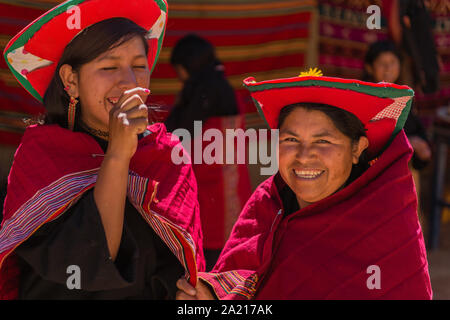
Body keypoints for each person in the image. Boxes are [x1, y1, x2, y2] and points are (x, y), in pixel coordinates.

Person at [0, 0, 205, 300]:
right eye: (109, 67)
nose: (129, 82)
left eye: (138, 66)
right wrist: (119, 155)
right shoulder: (42, 155)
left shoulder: (165, 155)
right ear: (71, 81)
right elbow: (88, 263)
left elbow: (185, 274)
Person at [176, 71, 432, 300]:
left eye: (322, 142)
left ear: (358, 149)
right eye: (290, 139)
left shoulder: (385, 224)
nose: (303, 155)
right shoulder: (268, 206)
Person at [165, 34, 251, 270]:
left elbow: (175, 136)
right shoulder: (226, 88)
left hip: (209, 191)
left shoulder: (200, 92)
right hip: (231, 187)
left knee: (203, 260)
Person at [363, 40, 432, 221]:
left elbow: (417, 136)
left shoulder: (403, 98)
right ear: (370, 68)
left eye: (393, 63)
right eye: (381, 64)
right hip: (372, 178)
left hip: (402, 178)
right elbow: (368, 139)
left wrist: (422, 150)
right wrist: (409, 143)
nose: (388, 68)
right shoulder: (363, 99)